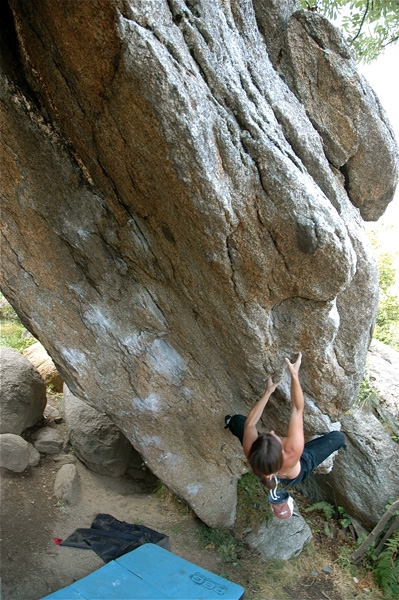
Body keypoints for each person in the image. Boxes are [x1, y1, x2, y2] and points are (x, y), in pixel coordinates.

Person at [225, 352, 346, 491]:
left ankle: (230, 422)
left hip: (266, 467)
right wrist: (294, 375)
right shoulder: (293, 449)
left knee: (237, 421)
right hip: (296, 472)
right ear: (283, 450)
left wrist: (268, 392)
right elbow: (297, 408)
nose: (271, 431)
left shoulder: (251, 450)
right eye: (274, 437)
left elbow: (251, 423)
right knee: (338, 437)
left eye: (268, 435)